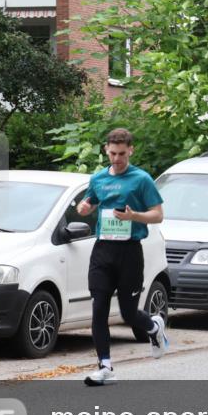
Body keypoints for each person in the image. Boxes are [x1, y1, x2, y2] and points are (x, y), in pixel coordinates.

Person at [76, 128, 168, 385]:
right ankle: (105, 367)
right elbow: (88, 202)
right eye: (113, 153)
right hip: (103, 250)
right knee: (98, 309)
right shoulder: (98, 179)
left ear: (131, 151)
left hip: (129, 251)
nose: (117, 159)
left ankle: (154, 327)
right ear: (106, 149)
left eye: (122, 154)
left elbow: (158, 215)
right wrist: (83, 207)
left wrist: (133, 216)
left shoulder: (141, 179)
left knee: (128, 314)